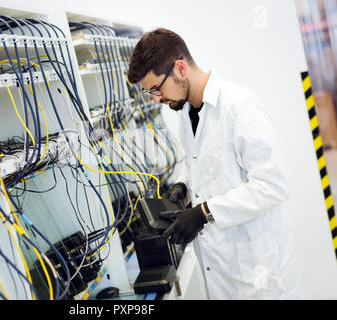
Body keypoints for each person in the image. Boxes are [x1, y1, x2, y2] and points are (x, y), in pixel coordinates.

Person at [127, 28, 303, 299]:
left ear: (180, 69)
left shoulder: (240, 108)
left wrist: (204, 212)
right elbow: (200, 162)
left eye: (156, 90)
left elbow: (273, 185)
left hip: (261, 279)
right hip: (222, 273)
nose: (157, 100)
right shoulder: (187, 112)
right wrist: (183, 185)